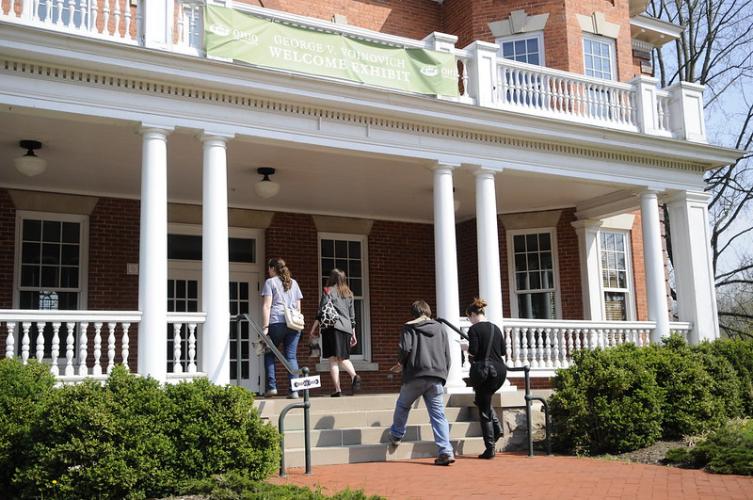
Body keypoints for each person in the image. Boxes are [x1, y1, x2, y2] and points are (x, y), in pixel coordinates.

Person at [388, 300, 455, 466]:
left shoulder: (409, 327)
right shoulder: (440, 328)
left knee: (403, 405)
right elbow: (447, 354)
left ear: (414, 313)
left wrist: (400, 364)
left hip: (415, 374)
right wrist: (443, 374)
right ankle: (445, 450)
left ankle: (396, 435)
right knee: (438, 415)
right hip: (436, 377)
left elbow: (405, 348)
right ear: (428, 311)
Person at [308, 268, 362, 397]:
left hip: (332, 328)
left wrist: (313, 329)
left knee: (333, 359)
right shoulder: (349, 294)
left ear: (331, 278)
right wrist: (354, 333)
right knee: (343, 357)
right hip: (347, 329)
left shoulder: (328, 291)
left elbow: (321, 312)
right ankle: (354, 376)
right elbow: (352, 316)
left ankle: (338, 390)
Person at [466, 298, 507, 459]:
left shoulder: (474, 330)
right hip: (500, 371)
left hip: (485, 372)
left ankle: (490, 448)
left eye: (469, 317)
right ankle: (496, 429)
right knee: (483, 400)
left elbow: (474, 351)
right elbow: (502, 351)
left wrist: (466, 349)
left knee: (483, 410)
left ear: (473, 314)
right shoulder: (495, 328)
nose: (469, 321)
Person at [261, 258, 304, 399]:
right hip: (293, 323)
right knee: (291, 356)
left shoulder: (270, 282)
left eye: (269, 268)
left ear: (273, 268)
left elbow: (267, 306)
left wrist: (265, 327)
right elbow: (298, 307)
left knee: (269, 353)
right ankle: (294, 390)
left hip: (276, 322)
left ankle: (272, 387)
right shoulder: (294, 283)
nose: (268, 271)